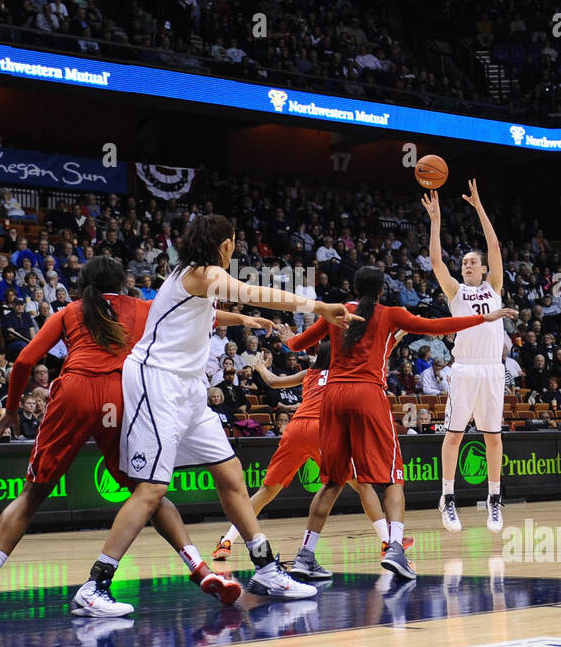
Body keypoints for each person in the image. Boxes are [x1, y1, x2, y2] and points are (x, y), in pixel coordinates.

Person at [67, 215, 357, 617]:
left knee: (231, 474)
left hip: (187, 389)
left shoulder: (188, 277)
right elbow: (253, 290)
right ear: (224, 244)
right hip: (157, 382)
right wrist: (319, 306)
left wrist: (240, 320)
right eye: (234, 242)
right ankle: (95, 585)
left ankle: (267, 568)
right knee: (152, 489)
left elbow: (205, 312)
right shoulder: (204, 273)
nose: (235, 249)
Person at [0, 256, 265, 619]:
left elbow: (26, 360)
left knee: (31, 496)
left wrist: (12, 409)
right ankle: (199, 568)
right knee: (147, 491)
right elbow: (202, 317)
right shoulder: (143, 307)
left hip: (74, 392)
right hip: (119, 395)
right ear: (122, 282)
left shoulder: (70, 311)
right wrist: (243, 319)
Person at [286, 264, 514, 580]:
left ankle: (305, 556)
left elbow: (297, 346)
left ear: (354, 289)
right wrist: (482, 318)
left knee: (334, 481)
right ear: (382, 291)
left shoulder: (336, 312)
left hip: (333, 399)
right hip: (368, 395)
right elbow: (436, 326)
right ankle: (395, 548)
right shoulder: (390, 313)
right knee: (393, 477)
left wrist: (289, 338)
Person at [211, 343, 408, 573]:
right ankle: (388, 542)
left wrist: (261, 369)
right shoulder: (345, 373)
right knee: (362, 485)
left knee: (267, 491)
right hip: (322, 429)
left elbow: (273, 382)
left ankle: (226, 541)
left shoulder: (310, 373)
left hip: (296, 427)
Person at [422, 182, 509, 533]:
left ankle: (494, 499)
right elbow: (434, 260)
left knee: (493, 437)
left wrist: (478, 208)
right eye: (465, 262)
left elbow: (494, 245)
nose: (468, 264)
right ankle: (448, 497)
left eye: (474, 262)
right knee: (455, 434)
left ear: (484, 269)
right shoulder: (456, 292)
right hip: (465, 370)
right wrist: (436, 218)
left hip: (492, 370)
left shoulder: (495, 288)